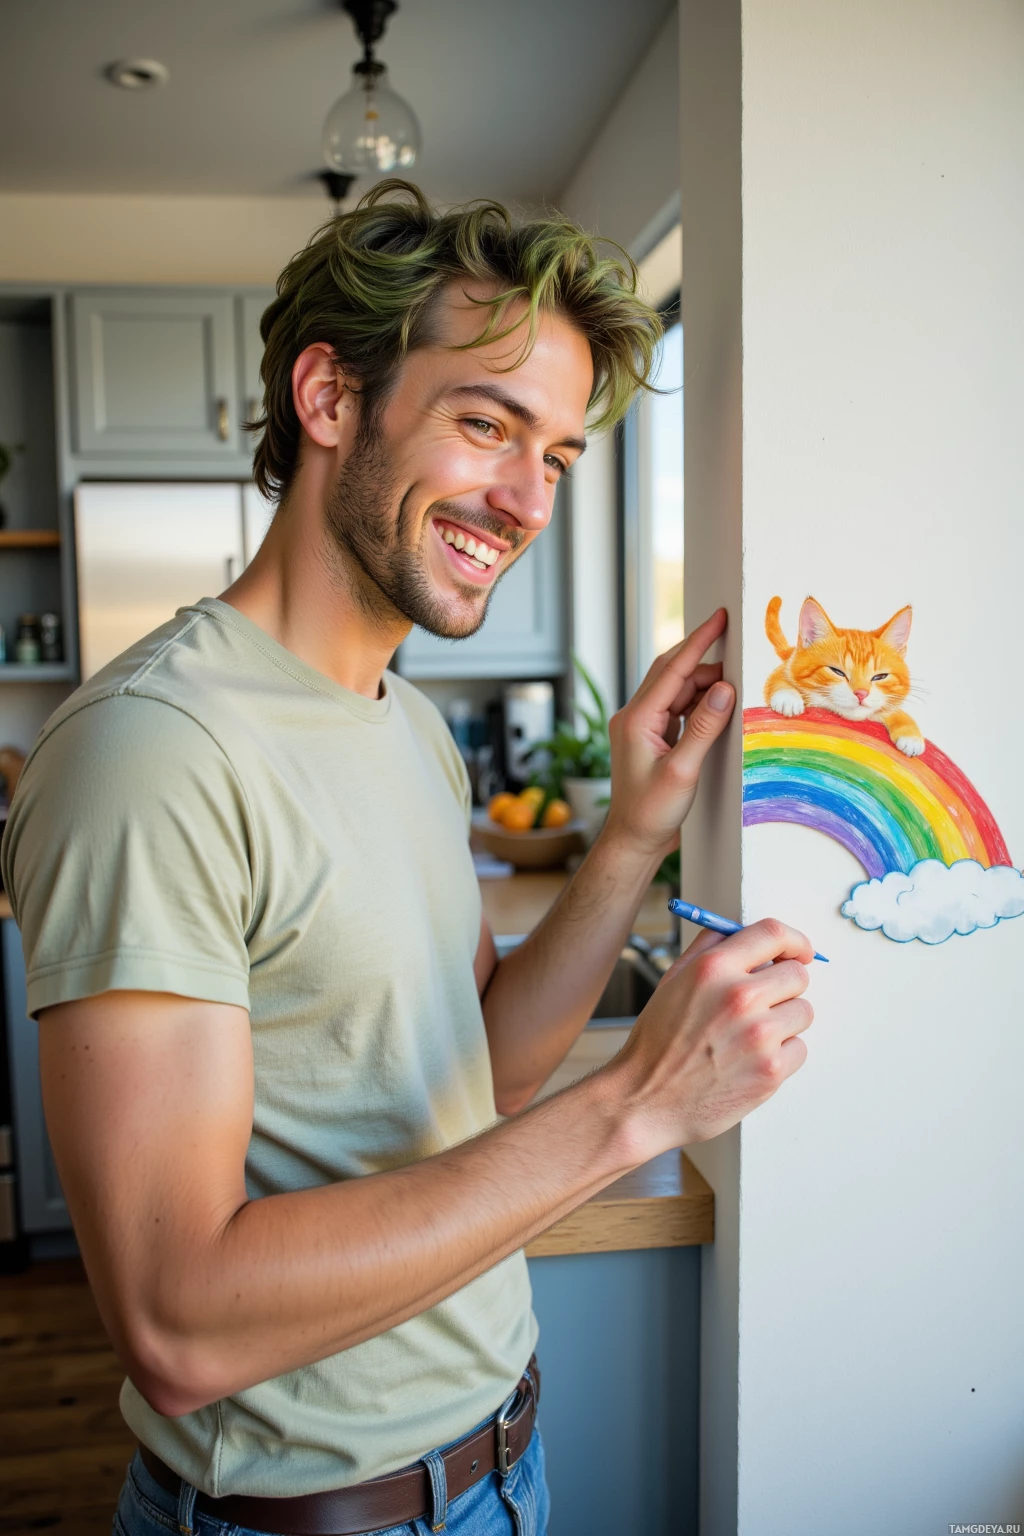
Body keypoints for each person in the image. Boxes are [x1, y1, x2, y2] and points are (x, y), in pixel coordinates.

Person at [1, 181, 814, 1536]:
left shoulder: (407, 726)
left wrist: (631, 835)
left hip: (501, 1471)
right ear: (331, 400)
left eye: (554, 456)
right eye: (487, 424)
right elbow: (179, 1319)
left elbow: (474, 1076)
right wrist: (640, 1105)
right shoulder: (155, 752)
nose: (526, 499)